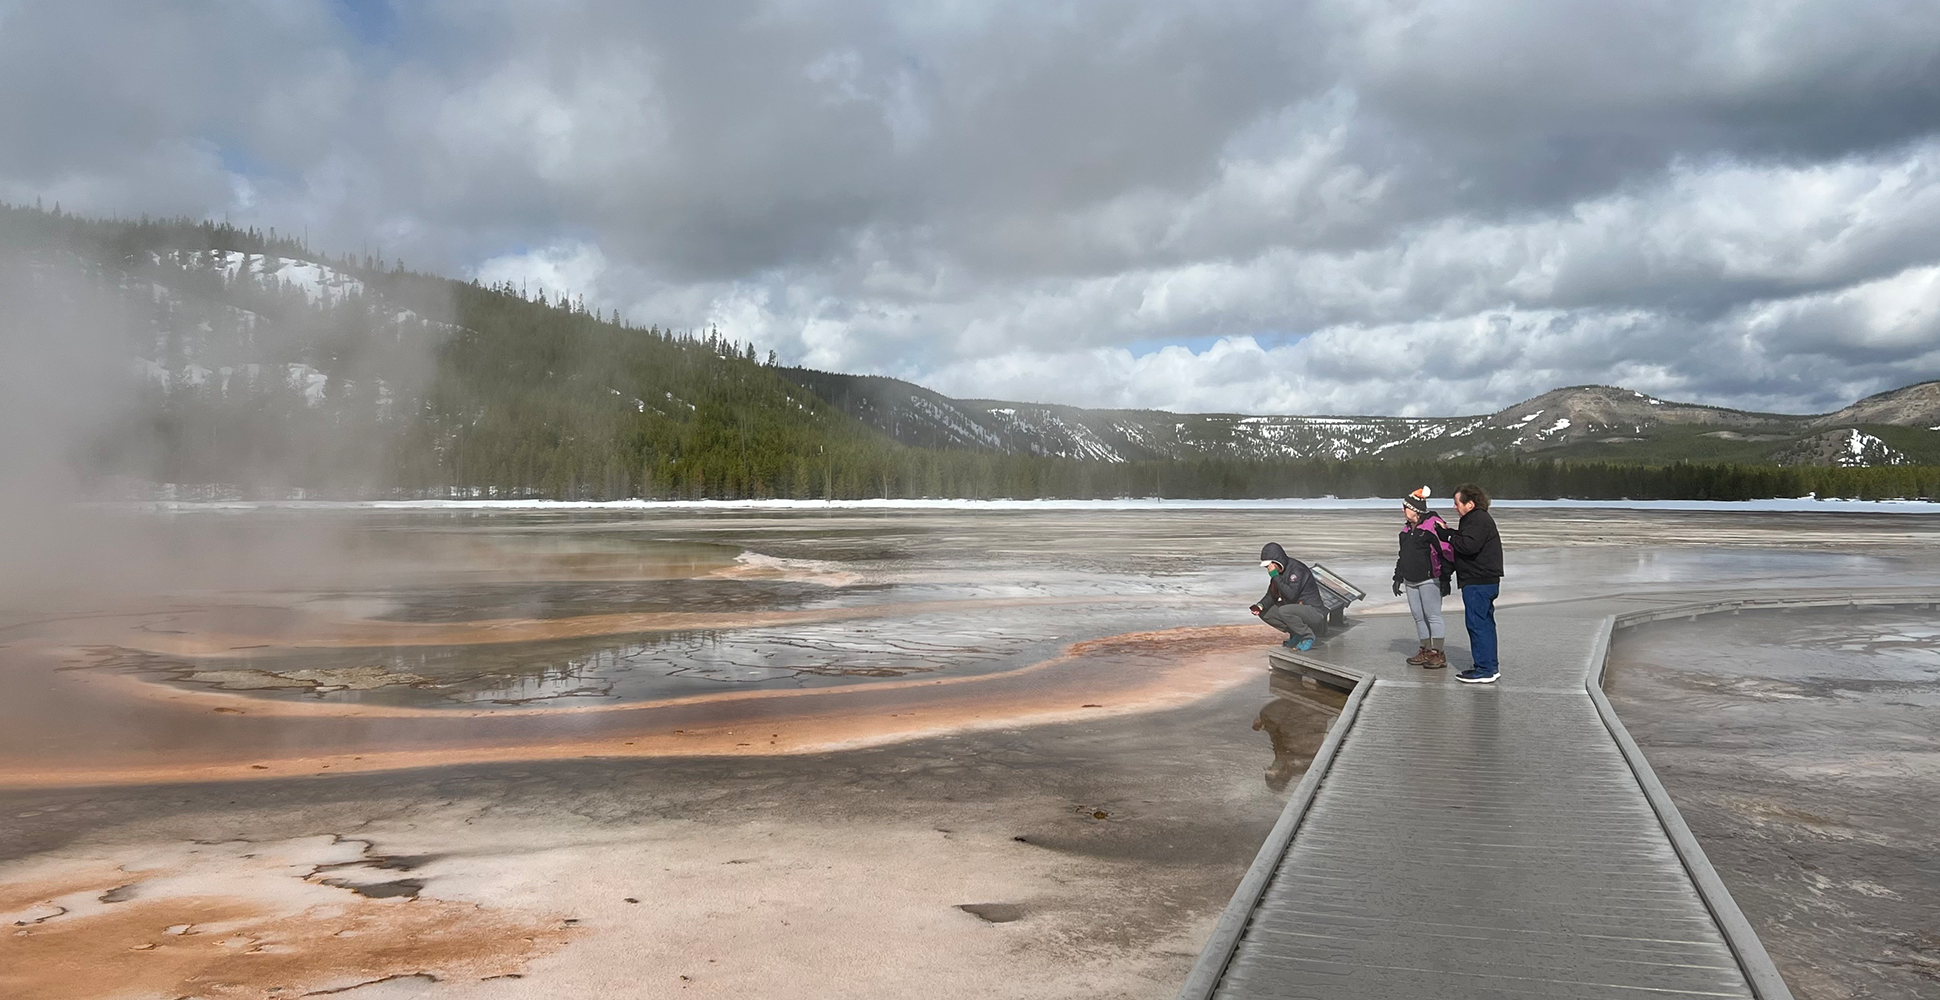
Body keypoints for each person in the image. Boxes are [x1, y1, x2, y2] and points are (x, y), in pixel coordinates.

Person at [1438, 482, 1504, 684]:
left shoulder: (1477, 520)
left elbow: (1469, 545)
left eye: (1457, 503)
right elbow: (1467, 540)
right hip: (1482, 579)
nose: (1454, 507)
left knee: (1477, 623)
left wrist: (1448, 536)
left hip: (1479, 581)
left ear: (1470, 504)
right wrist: (1451, 533)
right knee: (1484, 623)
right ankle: (1488, 666)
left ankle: (1485, 669)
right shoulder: (1476, 520)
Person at [1391, 486, 1454, 668]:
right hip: (1410, 580)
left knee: (1432, 616)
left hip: (1429, 579)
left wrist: (1445, 578)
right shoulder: (1405, 532)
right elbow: (1403, 556)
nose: (1403, 511)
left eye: (1406, 507)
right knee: (1419, 616)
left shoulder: (1432, 527)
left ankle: (1438, 653)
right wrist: (1397, 577)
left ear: (1415, 510)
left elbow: (1446, 552)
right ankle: (1425, 650)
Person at [1250, 542, 1328, 651]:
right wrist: (1260, 606)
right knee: (1266, 612)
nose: (1268, 568)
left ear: (1276, 561)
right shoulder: (1278, 573)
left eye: (1269, 565)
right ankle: (1296, 633)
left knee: (1284, 610)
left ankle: (1308, 636)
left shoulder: (1296, 570)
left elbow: (1291, 595)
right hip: (1296, 609)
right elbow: (1271, 595)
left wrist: (1275, 576)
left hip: (1314, 611)